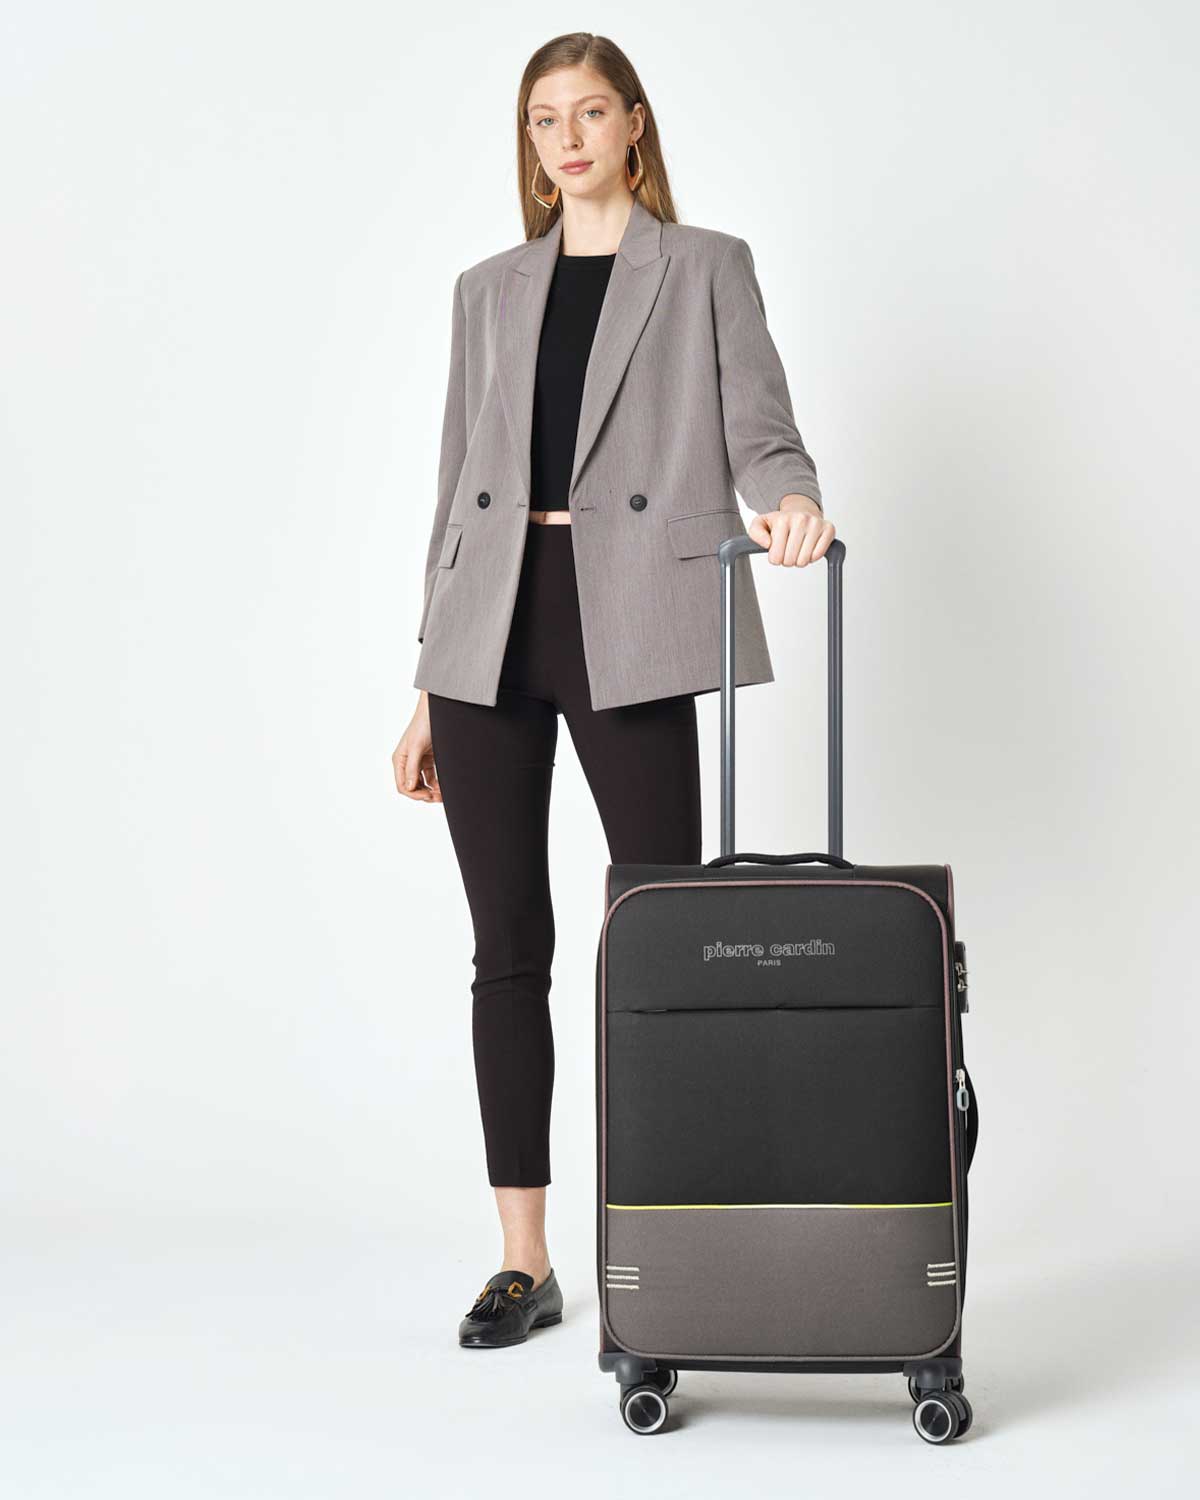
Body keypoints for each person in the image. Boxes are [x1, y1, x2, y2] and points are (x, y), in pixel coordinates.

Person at [391, 31, 836, 1350]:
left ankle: (667, 1247)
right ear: (529, 143)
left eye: (590, 112)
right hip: (488, 634)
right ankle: (524, 1263)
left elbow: (762, 427)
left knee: (661, 939)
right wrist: (425, 680)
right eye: (545, 119)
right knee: (506, 948)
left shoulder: (703, 267)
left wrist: (791, 500)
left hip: (631, 617)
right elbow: (454, 489)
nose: (567, 138)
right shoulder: (486, 290)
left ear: (635, 124)